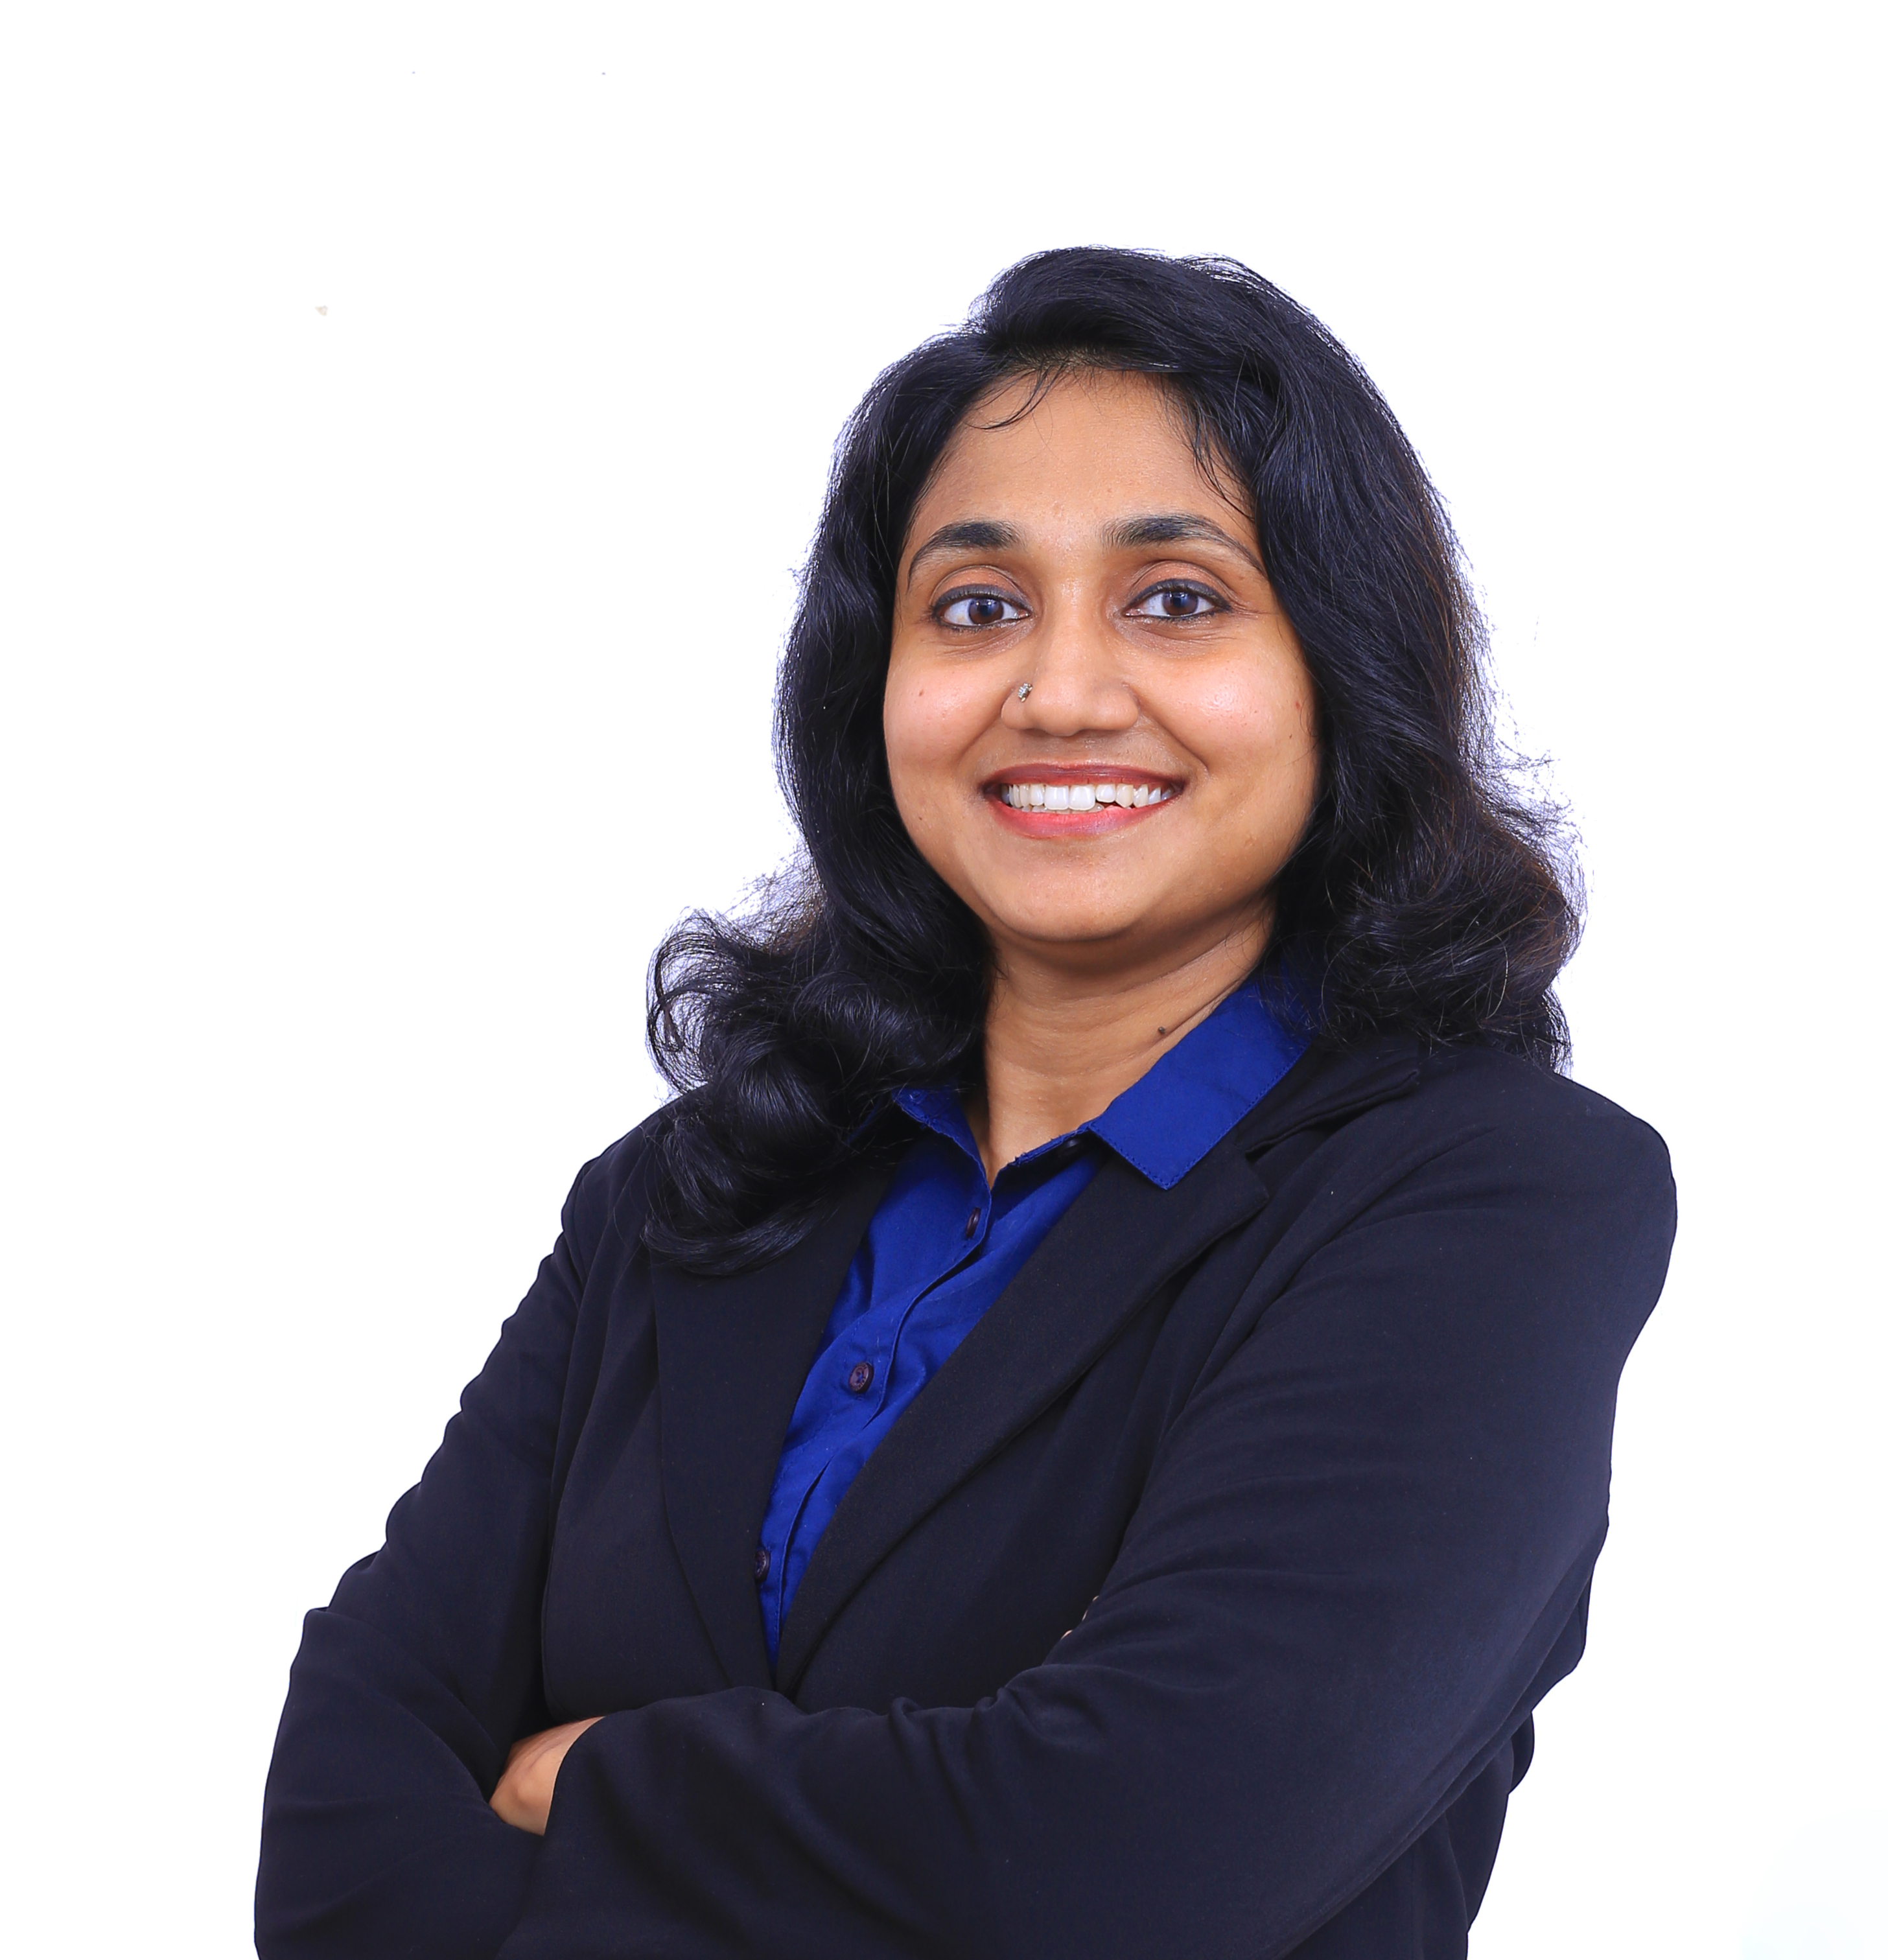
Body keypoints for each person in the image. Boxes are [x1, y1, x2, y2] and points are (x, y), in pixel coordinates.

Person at [255, 248, 1675, 1959]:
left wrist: (597, 1776)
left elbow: (1133, 1861)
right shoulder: (685, 1190)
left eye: (1177, 599)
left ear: (1338, 669)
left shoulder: (1491, 1202)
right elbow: (333, 1841)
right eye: (977, 607)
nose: (1058, 691)